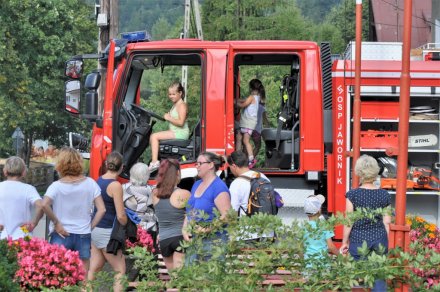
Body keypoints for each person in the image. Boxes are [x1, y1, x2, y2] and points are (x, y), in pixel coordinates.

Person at [40, 148, 105, 275]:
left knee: (57, 275)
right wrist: (90, 226)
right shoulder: (90, 184)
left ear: (60, 164)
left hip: (61, 234)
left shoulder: (56, 186)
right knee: (82, 277)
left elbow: (44, 205)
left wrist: (57, 223)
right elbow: (101, 209)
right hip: (83, 234)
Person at [340, 155, 391, 292]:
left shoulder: (353, 194)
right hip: (379, 239)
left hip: (358, 240)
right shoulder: (384, 195)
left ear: (359, 172)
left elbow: (349, 221)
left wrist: (344, 242)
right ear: (375, 171)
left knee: (357, 279)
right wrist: (387, 242)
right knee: (379, 278)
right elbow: (387, 222)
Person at [88, 151, 127, 292]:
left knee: (95, 267)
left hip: (95, 228)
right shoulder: (115, 186)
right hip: (107, 232)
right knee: (120, 270)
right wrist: (129, 226)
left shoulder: (98, 181)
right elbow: (121, 215)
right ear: (122, 167)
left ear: (106, 164)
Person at [182, 152, 231, 262]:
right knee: (190, 277)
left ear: (211, 165)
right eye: (196, 163)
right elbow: (190, 210)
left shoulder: (219, 187)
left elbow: (227, 215)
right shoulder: (196, 184)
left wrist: (206, 229)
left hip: (213, 243)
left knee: (209, 278)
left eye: (200, 163)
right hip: (194, 242)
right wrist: (184, 229)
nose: (197, 166)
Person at [226, 151, 273, 242]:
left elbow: (233, 213)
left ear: (234, 166)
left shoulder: (237, 183)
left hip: (247, 234)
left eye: (230, 167)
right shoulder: (262, 176)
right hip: (267, 232)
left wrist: (231, 236)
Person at [152, 159, 190, 270]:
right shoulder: (184, 194)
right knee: (181, 279)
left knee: (173, 278)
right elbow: (193, 215)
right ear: (177, 173)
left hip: (164, 240)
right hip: (180, 238)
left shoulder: (155, 194)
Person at [149, 81, 190, 172]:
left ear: (180, 93)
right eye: (170, 94)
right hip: (175, 131)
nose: (171, 96)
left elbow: (181, 123)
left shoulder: (182, 105)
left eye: (173, 94)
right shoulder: (176, 104)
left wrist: (169, 118)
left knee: (154, 136)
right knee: (153, 137)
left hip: (181, 133)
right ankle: (159, 161)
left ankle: (155, 162)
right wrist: (169, 117)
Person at [0, 156, 43, 240]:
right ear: (24, 172)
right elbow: (41, 206)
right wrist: (34, 223)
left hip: (2, 235)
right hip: (23, 235)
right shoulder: (28, 189)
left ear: (5, 172)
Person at [123, 162, 157, 241]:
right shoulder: (152, 190)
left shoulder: (123, 188)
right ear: (146, 176)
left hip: (129, 228)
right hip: (149, 229)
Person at [235, 79, 266, 168]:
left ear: (250, 88)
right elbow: (244, 100)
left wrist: (234, 102)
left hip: (248, 122)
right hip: (248, 122)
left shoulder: (252, 97)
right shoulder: (257, 97)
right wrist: (237, 100)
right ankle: (238, 156)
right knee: (239, 136)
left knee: (245, 141)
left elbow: (243, 105)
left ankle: (251, 160)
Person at [303, 194, 339, 266]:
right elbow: (331, 247)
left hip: (308, 264)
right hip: (323, 264)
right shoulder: (324, 226)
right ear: (319, 210)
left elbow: (301, 248)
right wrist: (341, 257)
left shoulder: (303, 227)